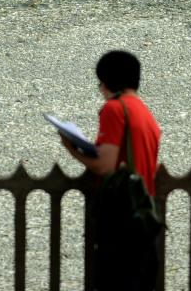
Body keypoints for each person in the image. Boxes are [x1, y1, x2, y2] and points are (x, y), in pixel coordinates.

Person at [59, 50, 162, 291]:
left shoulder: (115, 109)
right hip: (144, 215)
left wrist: (71, 148)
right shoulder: (144, 112)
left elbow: (105, 165)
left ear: (107, 81)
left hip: (121, 218)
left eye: (101, 81)